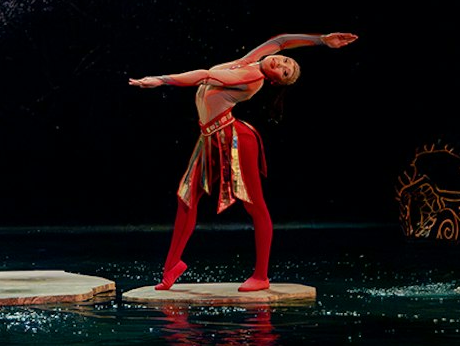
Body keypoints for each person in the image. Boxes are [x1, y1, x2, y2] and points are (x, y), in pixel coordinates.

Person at [130, 32, 357, 292]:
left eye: (285, 72)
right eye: (285, 62)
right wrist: (322, 40)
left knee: (254, 205)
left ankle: (261, 275)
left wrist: (161, 80)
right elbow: (282, 40)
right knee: (186, 198)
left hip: (235, 141)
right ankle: (171, 267)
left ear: (274, 82)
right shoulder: (251, 60)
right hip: (209, 138)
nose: (281, 64)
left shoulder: (252, 76)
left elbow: (205, 75)